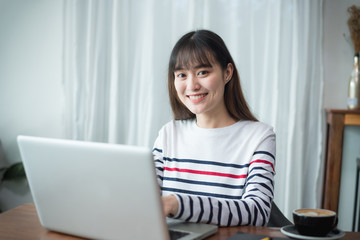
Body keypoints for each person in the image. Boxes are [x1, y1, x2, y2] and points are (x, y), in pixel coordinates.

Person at [152, 29, 275, 227]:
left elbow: (257, 211)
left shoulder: (259, 136)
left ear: (227, 73)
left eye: (202, 72)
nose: (192, 86)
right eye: (182, 75)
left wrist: (177, 204)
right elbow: (144, 200)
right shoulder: (168, 134)